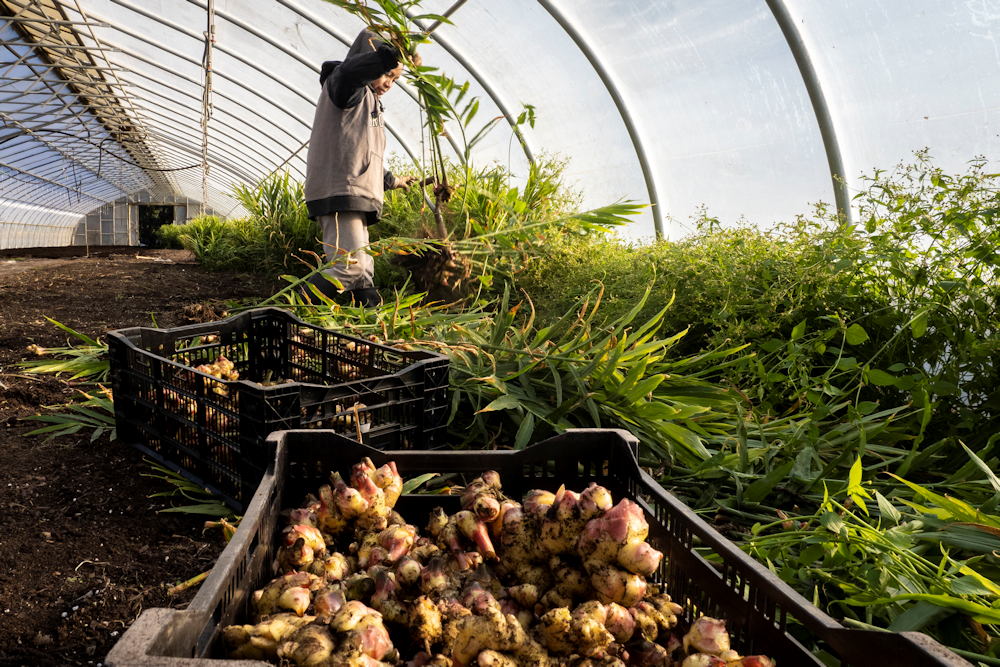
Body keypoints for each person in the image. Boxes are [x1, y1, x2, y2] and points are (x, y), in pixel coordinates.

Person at [303, 29, 418, 307]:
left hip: (356, 190)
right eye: (388, 74)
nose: (390, 83)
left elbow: (363, 152)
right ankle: (288, 312)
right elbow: (354, 71)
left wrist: (392, 180)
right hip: (340, 189)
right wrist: (387, 57)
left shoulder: (371, 104)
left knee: (363, 272)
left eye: (396, 79)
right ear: (370, 60)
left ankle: (371, 326)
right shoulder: (345, 86)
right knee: (349, 267)